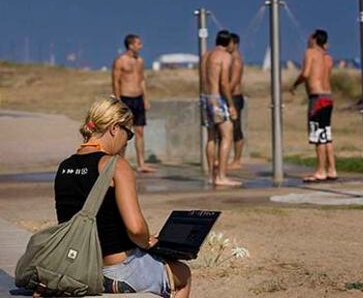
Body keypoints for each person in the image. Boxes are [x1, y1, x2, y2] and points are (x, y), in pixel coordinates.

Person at [54, 98, 191, 298]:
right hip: (116, 270)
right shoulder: (116, 165)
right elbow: (135, 228)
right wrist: (147, 241)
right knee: (182, 274)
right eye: (128, 134)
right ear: (114, 128)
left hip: (79, 267)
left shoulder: (64, 167)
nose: (127, 141)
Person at [290, 29, 338, 182]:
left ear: (314, 39)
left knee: (318, 136)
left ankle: (320, 171)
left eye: (310, 37)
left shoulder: (310, 52)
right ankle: (332, 169)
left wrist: (294, 85)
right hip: (328, 97)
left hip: (317, 98)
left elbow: (305, 74)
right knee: (326, 135)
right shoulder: (328, 57)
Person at [200, 30, 241, 186]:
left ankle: (211, 175)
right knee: (227, 135)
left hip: (205, 98)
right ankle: (222, 176)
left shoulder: (206, 55)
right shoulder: (225, 56)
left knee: (211, 137)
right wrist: (231, 105)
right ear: (229, 42)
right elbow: (224, 83)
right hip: (217, 99)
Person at [112, 34, 156, 173]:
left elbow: (141, 80)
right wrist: (118, 101)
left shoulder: (140, 61)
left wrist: (145, 98)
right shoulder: (120, 61)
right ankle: (121, 163)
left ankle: (141, 164)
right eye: (138, 43)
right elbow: (115, 80)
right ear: (130, 45)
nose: (140, 46)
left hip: (138, 98)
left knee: (140, 132)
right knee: (124, 133)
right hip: (125, 98)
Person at [227, 33, 245, 170]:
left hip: (234, 97)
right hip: (230, 96)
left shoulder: (236, 60)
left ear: (235, 44)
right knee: (228, 129)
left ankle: (237, 160)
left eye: (229, 43)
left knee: (236, 129)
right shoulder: (229, 58)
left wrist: (225, 95)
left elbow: (234, 82)